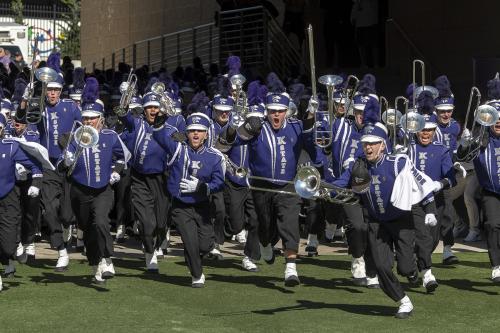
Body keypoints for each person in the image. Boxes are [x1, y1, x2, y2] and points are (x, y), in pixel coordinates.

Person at [331, 98, 437, 318]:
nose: (368, 147)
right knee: (381, 266)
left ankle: (412, 271)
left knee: (407, 268)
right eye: (365, 143)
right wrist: (321, 190)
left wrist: (429, 210)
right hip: (376, 223)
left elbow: (421, 183)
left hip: (401, 221)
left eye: (372, 143)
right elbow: (341, 184)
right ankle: (403, 301)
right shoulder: (356, 165)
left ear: (382, 144)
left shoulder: (398, 162)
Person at [220, 72, 321, 286]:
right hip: (261, 186)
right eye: (272, 111)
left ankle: (291, 268)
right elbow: (229, 143)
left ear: (286, 112)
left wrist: (312, 113)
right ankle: (265, 245)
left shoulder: (295, 127)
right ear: (267, 111)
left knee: (290, 222)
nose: (276, 116)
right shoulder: (258, 127)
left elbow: (311, 142)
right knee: (263, 225)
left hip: (288, 185)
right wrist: (234, 126)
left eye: (280, 112)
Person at [58, 95, 130, 284]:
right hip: (80, 190)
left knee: (101, 222)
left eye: (92, 117)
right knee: (88, 228)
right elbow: (61, 162)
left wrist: (116, 171)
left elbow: (123, 158)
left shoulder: (110, 136)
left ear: (101, 119)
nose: (88, 121)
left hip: (103, 190)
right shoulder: (75, 137)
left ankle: (107, 259)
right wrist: (66, 162)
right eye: (85, 118)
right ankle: (94, 261)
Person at [21, 53, 81, 272]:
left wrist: (72, 145)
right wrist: (27, 101)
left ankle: (69, 227)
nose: (53, 93)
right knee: (48, 210)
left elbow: (84, 131)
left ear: (61, 91)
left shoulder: (71, 106)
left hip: (70, 165)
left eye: (56, 90)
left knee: (66, 213)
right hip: (49, 166)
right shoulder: (40, 106)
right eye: (50, 90)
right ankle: (61, 251)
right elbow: (28, 125)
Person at [152, 112, 224, 287]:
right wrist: (159, 126)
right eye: (192, 131)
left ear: (206, 134)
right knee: (190, 242)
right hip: (180, 206)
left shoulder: (215, 156)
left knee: (206, 245)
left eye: (200, 131)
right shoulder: (178, 148)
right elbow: (161, 138)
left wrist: (203, 187)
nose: (196, 134)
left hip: (202, 206)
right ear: (187, 133)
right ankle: (196, 275)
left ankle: (193, 257)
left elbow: (219, 182)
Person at [118, 91, 177, 272]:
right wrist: (123, 106)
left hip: (162, 179)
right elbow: (124, 117)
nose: (152, 110)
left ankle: (158, 243)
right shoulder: (137, 124)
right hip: (139, 177)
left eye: (155, 107)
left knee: (160, 223)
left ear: (161, 110)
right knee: (147, 222)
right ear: (143, 110)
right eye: (149, 107)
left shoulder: (170, 129)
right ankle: (149, 253)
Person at [408, 91, 456, 292]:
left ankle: (414, 263)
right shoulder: (407, 148)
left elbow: (450, 177)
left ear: (434, 130)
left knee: (433, 238)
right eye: (422, 130)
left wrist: (441, 183)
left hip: (435, 199)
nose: (425, 134)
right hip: (414, 200)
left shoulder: (441, 149)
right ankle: (427, 274)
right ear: (416, 130)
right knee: (423, 236)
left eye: (429, 130)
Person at [457, 100, 500, 283]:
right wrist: (464, 143)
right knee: (492, 225)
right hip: (491, 191)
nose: (498, 123)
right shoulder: (480, 139)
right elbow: (462, 156)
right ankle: (497, 266)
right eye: (496, 119)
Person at [0, 114, 43, 290]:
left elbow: (35, 165)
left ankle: (10, 256)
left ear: (2, 129)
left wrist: (36, 183)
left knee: (8, 244)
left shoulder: (11, 146)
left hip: (7, 196)